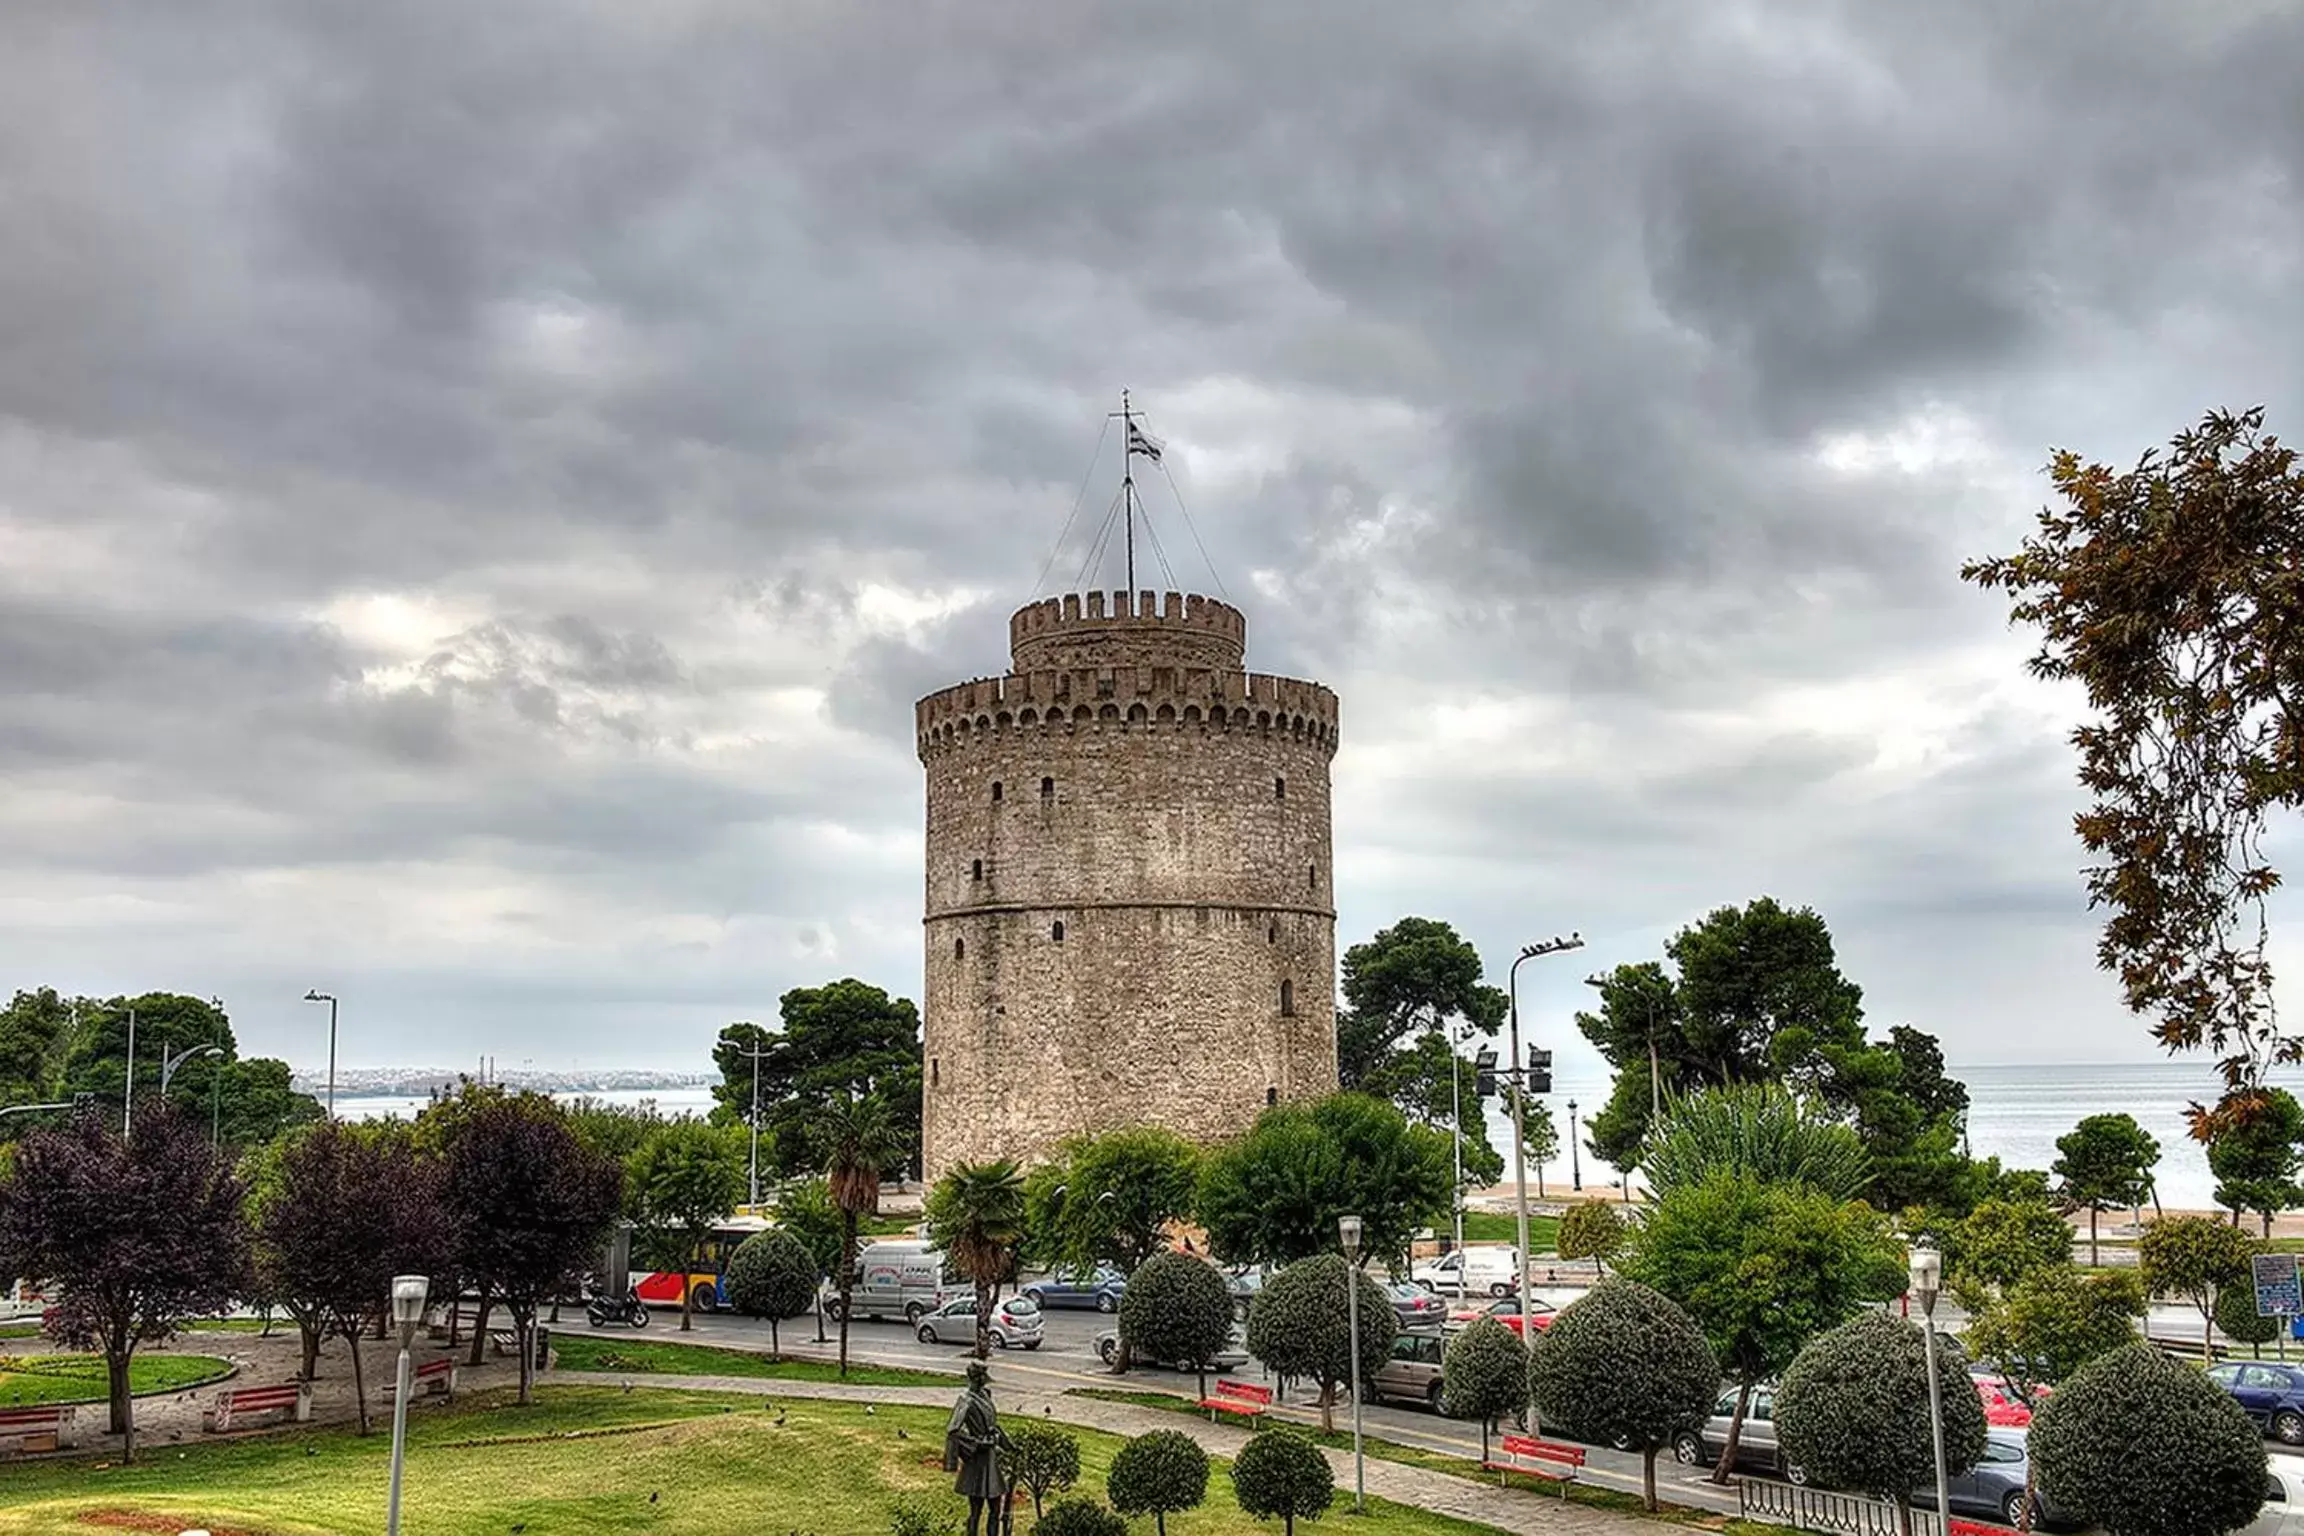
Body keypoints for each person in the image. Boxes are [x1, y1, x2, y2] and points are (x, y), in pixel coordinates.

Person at [944, 1361, 1012, 1536]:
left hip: (990, 1462)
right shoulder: (966, 1401)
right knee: (976, 1511)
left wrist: (1008, 1445)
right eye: (983, 1378)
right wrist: (975, 1444)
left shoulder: (986, 1395)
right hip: (977, 1464)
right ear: (977, 1378)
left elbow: (994, 1426)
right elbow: (953, 1431)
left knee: (996, 1508)